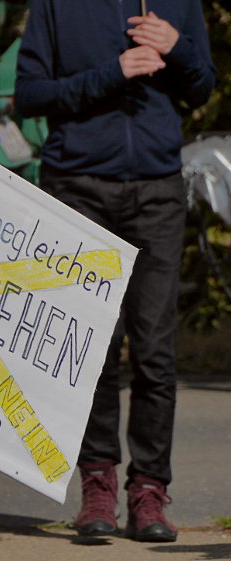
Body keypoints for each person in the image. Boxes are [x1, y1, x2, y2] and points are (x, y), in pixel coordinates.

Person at [15, 0, 215, 543]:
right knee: (95, 347)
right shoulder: (56, 5)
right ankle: (97, 482)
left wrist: (178, 48)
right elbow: (29, 94)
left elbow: (202, 88)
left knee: (154, 349)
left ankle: (149, 490)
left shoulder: (179, 4)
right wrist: (112, 74)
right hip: (79, 188)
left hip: (157, 191)